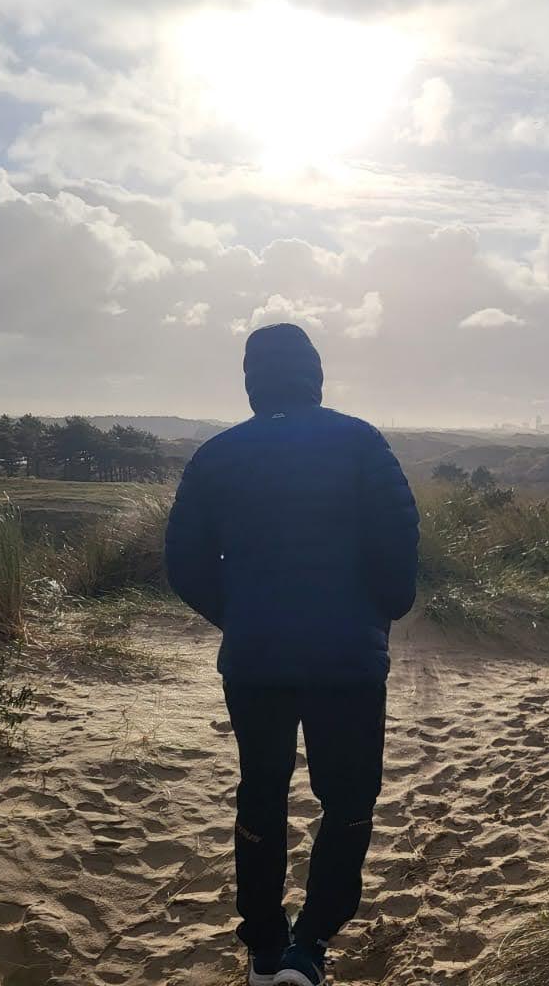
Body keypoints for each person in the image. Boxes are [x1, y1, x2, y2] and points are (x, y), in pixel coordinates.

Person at [165, 323, 419, 986]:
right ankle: (311, 945)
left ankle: (264, 944)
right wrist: (383, 609)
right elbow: (398, 543)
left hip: (256, 659)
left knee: (262, 793)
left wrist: (239, 615)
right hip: (348, 661)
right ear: (315, 375)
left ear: (252, 381)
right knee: (349, 798)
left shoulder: (217, 455)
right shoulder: (361, 442)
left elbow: (183, 564)